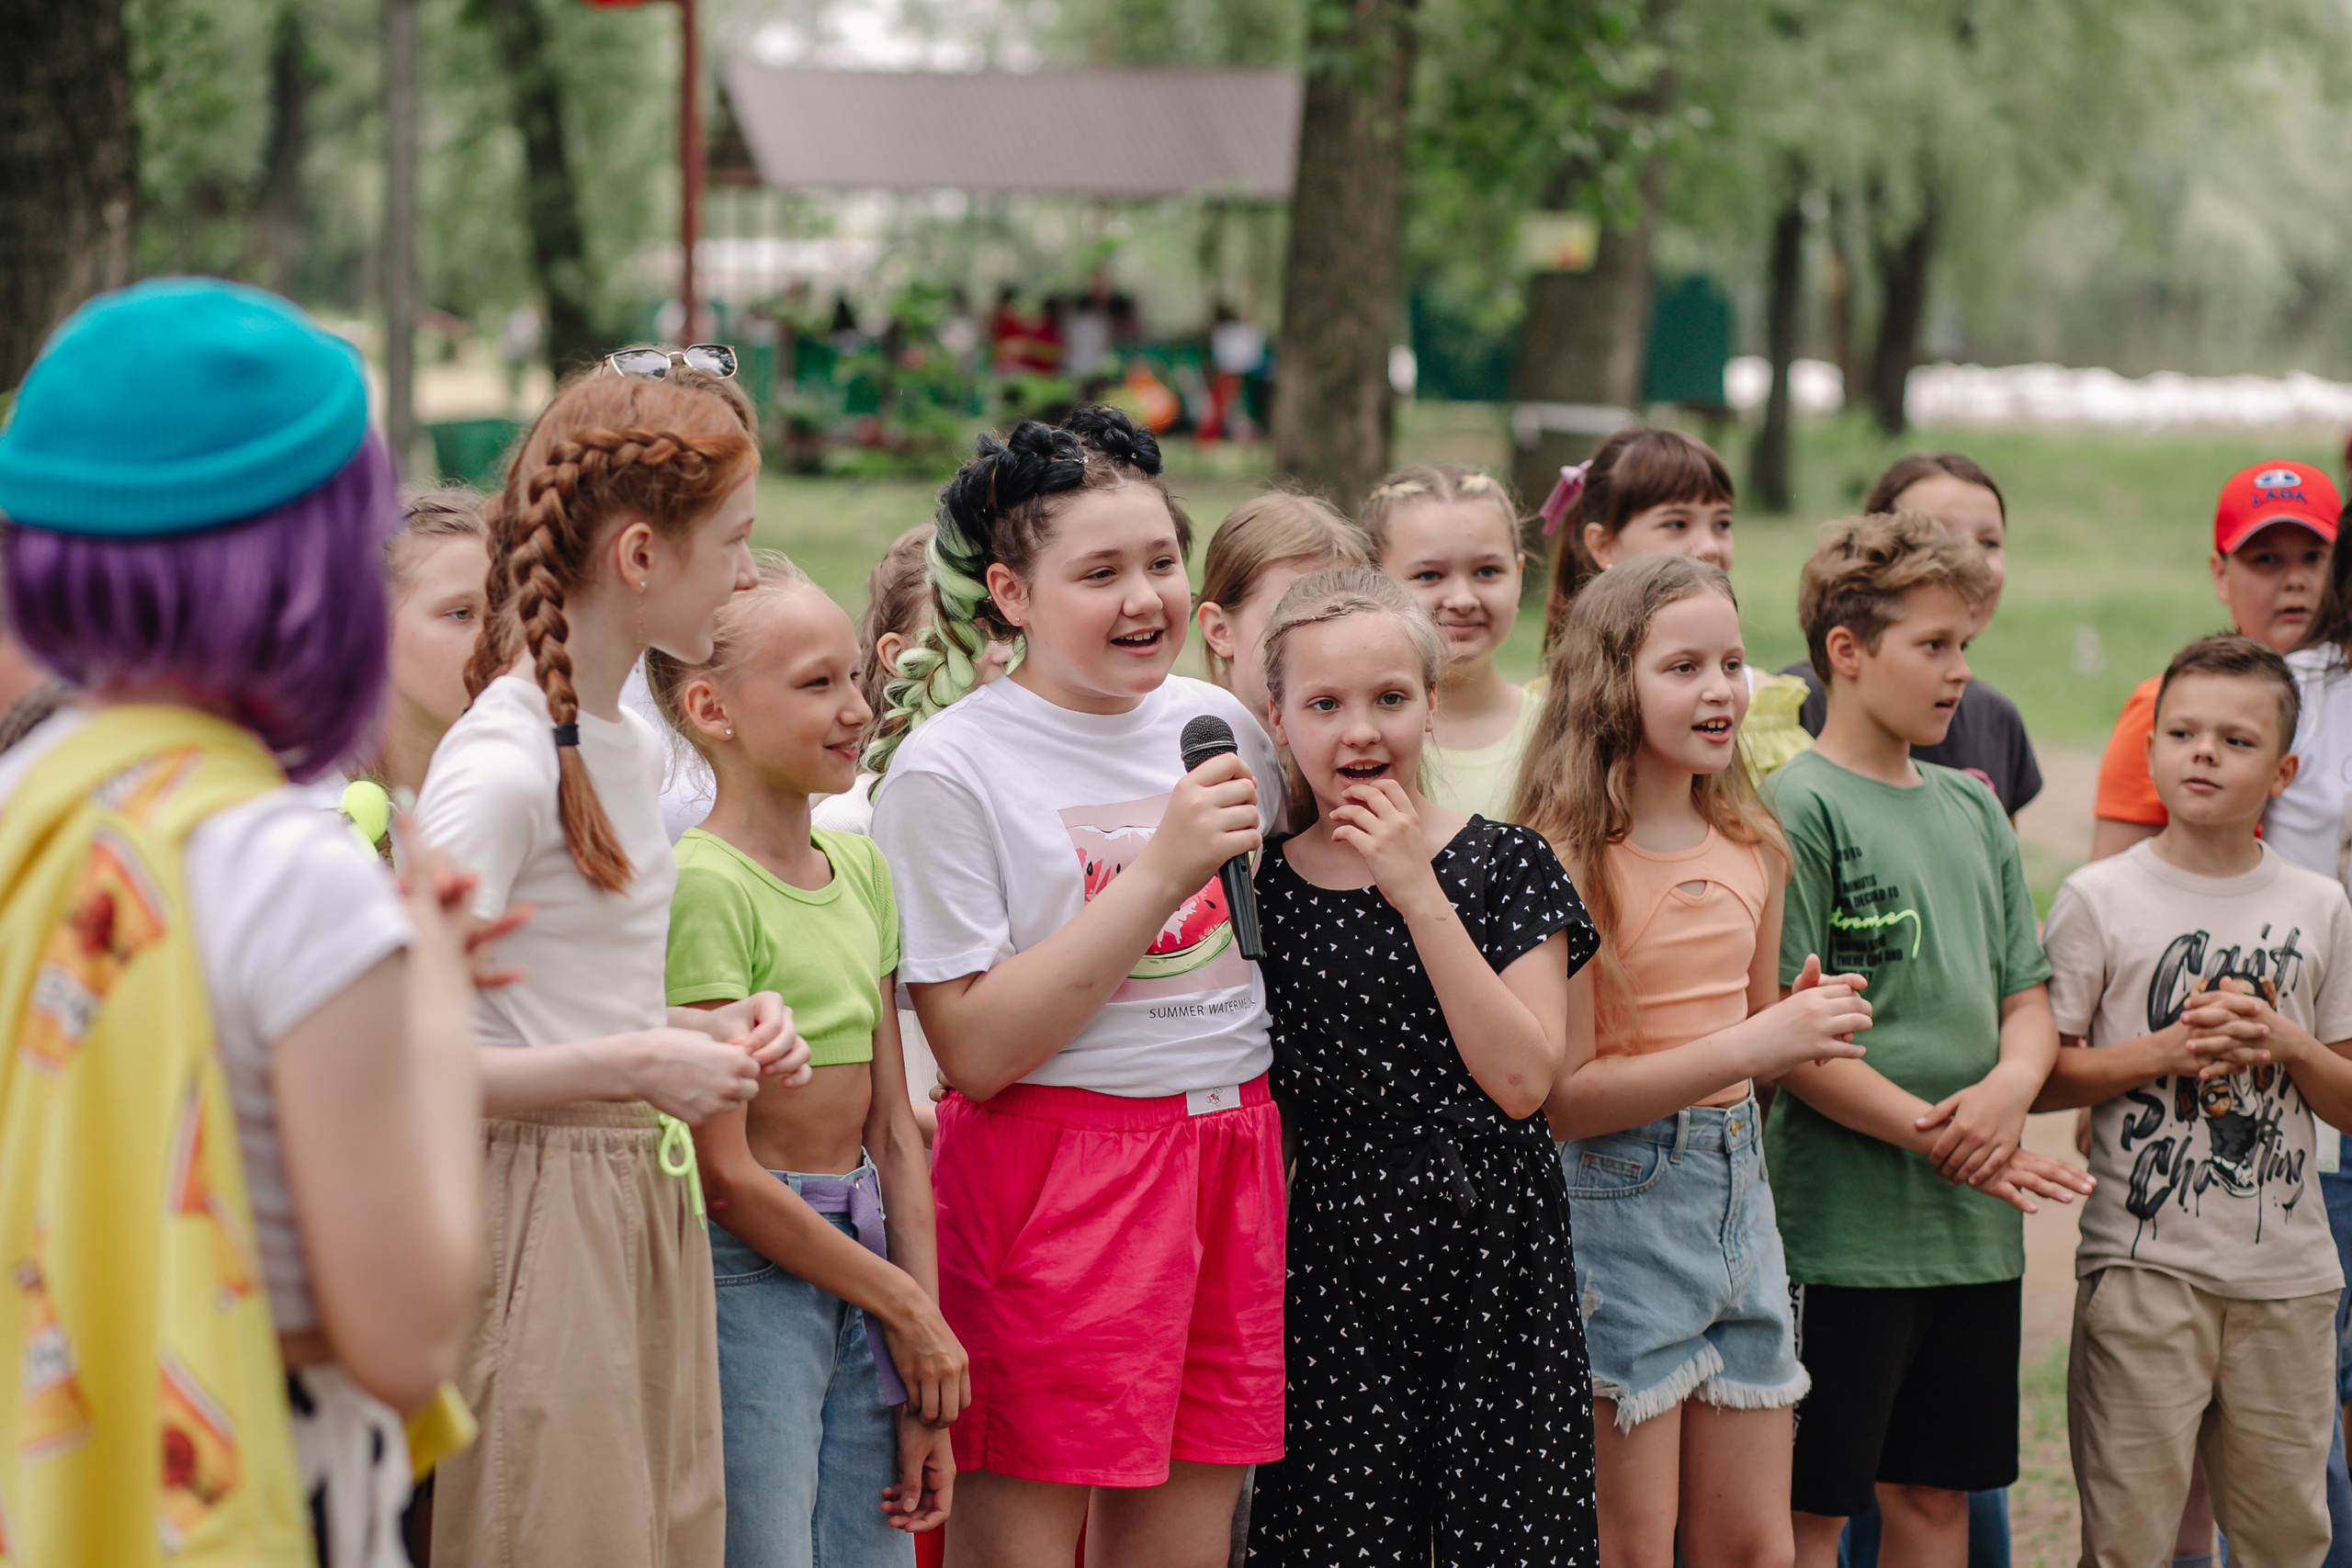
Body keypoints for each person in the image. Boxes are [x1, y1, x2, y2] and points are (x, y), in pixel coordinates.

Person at [0, 276, 482, 1564]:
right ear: (312, 566)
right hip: (255, 1494)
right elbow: (405, 1335)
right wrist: (435, 1005)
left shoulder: (22, 815)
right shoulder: (290, 867)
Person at [865, 407, 1285, 1568]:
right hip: (1058, 1181)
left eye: (1159, 561)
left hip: (1230, 1156)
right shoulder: (951, 767)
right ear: (1009, 593)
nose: (1144, 598)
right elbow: (975, 1051)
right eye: (1099, 572)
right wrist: (1158, 870)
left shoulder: (1223, 726)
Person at [416, 361, 812, 1568]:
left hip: (638, 1194)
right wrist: (636, 1060)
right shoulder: (498, 767)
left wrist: (704, 1024)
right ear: (642, 555)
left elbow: (573, 1000)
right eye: (735, 541)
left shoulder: (629, 741)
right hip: (526, 1211)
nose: (749, 572)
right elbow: (405, 1061)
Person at [1519, 555, 1876, 1568]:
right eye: (1683, 667)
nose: (1720, 689)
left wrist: (1792, 1024)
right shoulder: (1562, 856)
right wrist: (1751, 1043)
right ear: (1609, 683)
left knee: (1755, 1545)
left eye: (1731, 662)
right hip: (1614, 1206)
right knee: (1630, 1547)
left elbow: (1754, 1035)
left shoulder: (1752, 841)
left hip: (1738, 1197)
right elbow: (1563, 1099)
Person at [1244, 567, 1598, 1566]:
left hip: (1498, 1249)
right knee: (1338, 1538)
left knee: (1511, 1537)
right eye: (1325, 704)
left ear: (1432, 707)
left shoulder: (1508, 865)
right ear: (1277, 719)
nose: (1360, 731)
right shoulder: (1261, 888)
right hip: (1335, 1265)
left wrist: (1414, 889)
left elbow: (1526, 1081)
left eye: (1390, 699)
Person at [1762, 512, 2093, 1568]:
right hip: (1842, 1238)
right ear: (1846, 653)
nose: (1958, 673)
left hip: (1968, 1237)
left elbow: (2025, 994)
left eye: (1966, 649)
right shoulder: (1795, 809)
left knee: (1934, 1498)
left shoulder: (1972, 807)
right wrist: (1946, 1136)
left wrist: (2008, 1089)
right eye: (1933, 646)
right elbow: (1794, 1041)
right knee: (1813, 1510)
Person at [647, 557, 961, 1566]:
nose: (857, 710)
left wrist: (919, 1338)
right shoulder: (706, 887)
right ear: (711, 707)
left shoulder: (862, 866)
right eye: (816, 685)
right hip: (751, 1278)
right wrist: (905, 1308)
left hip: (864, 1259)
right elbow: (725, 1176)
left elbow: (893, 1133)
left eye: (855, 683)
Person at [2034, 634, 2352, 1568]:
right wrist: (2162, 1052)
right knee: (2126, 1535)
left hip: (2288, 1280)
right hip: (2140, 1270)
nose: (2203, 752)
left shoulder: (2321, 904)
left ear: (2285, 770)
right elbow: (2045, 1076)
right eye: (2182, 732)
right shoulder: (2096, 900)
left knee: (2284, 1534)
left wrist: (2285, 1044)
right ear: (2149, 751)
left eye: (2234, 739)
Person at [1532, 426, 1811, 776]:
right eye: (1677, 523)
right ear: (1603, 545)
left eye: (1722, 523)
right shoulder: (1543, 712)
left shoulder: (1766, 708)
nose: (1710, 546)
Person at [2093, 461, 2338, 859]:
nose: (2295, 579)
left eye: (2313, 557)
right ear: (2220, 574)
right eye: (2266, 560)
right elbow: (2115, 893)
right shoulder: (2169, 711)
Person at [1781, 454, 2041, 818]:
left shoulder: (1996, 721)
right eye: (1940, 536)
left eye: (1989, 542)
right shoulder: (1789, 706)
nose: (1971, 560)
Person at [1361, 464, 1535, 819]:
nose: (1462, 598)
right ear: (1370, 578)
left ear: (1518, 576)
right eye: (1429, 575)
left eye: (1487, 571)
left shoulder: (1561, 731)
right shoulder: (1354, 739)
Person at [1193, 490, 1370, 734]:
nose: (1323, 646)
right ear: (1221, 631)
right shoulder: (1176, 765)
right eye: (1290, 619)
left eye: (1342, 616)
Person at [375, 489, 490, 802]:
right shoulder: (308, 817)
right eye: (461, 614)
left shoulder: (550, 789)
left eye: (505, 615)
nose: (495, 640)